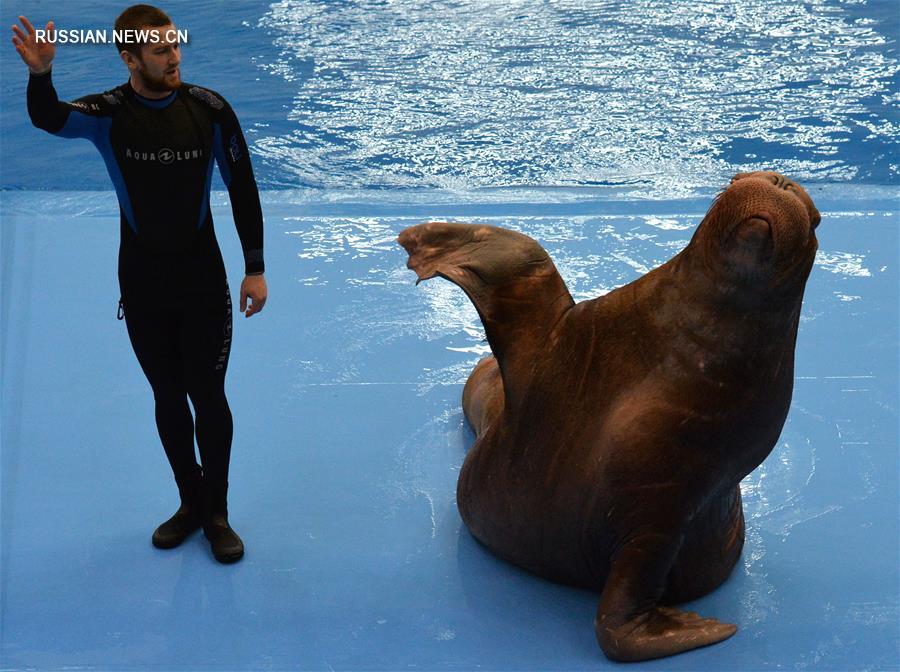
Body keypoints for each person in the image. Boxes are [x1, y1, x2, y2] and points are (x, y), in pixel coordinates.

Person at [12, 5, 267, 563]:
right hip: (144, 282)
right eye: (160, 51)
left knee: (209, 395)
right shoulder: (109, 113)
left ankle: (218, 513)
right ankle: (190, 501)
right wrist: (40, 73)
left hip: (203, 281)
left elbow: (242, 185)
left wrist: (255, 267)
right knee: (168, 396)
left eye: (176, 46)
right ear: (130, 58)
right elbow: (49, 118)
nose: (174, 57)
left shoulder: (210, 110)